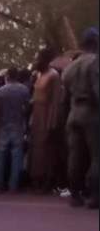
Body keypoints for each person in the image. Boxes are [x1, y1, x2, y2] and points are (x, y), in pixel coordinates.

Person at [62, 27, 99, 208]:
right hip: (91, 112)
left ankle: (75, 194)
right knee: (96, 155)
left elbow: (64, 98)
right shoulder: (94, 62)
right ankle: (95, 195)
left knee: (75, 156)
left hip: (73, 113)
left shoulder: (70, 67)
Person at [29, 48, 62, 194]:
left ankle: (46, 182)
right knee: (35, 150)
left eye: (38, 59)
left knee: (45, 151)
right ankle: (35, 179)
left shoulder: (53, 76)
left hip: (46, 117)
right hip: (36, 116)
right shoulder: (38, 75)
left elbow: (55, 101)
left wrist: (52, 123)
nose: (35, 62)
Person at [0, 67, 30, 193]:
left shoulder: (0, 91)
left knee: (0, 156)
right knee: (16, 156)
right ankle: (13, 185)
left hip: (3, 125)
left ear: (7, 76)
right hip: (18, 124)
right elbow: (27, 108)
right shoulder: (24, 90)